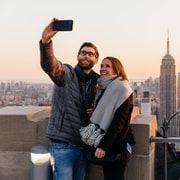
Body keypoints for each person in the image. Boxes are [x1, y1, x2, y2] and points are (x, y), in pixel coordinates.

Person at [39, 17, 100, 180]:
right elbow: (50, 66)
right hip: (62, 144)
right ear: (78, 56)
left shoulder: (98, 82)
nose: (87, 56)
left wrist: (96, 110)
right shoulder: (67, 74)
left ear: (96, 59)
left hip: (83, 146)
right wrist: (46, 42)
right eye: (83, 52)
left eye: (91, 54)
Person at [80, 56, 135, 180]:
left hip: (118, 146)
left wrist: (103, 146)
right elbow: (107, 113)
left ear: (117, 70)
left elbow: (118, 123)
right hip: (109, 143)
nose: (103, 68)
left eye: (107, 66)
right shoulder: (104, 89)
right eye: (101, 66)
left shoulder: (122, 89)